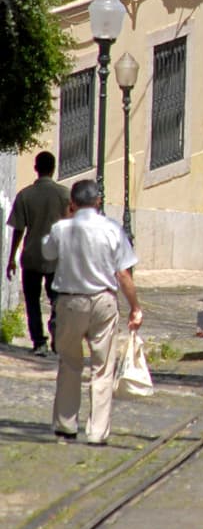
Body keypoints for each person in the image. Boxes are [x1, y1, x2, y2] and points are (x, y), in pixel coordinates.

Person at [41, 179, 143, 445]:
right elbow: (123, 273)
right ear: (98, 201)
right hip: (103, 302)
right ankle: (97, 432)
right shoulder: (112, 230)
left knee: (69, 363)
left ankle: (66, 425)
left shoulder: (61, 229)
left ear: (72, 203)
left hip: (70, 302)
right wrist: (135, 307)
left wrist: (66, 218)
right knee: (102, 368)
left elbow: (47, 252)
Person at [5, 151, 70, 356]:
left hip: (32, 255)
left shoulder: (25, 195)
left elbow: (18, 229)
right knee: (58, 298)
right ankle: (57, 332)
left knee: (32, 301)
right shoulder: (65, 195)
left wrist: (12, 258)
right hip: (57, 257)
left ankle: (39, 342)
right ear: (53, 168)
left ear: (36, 168)